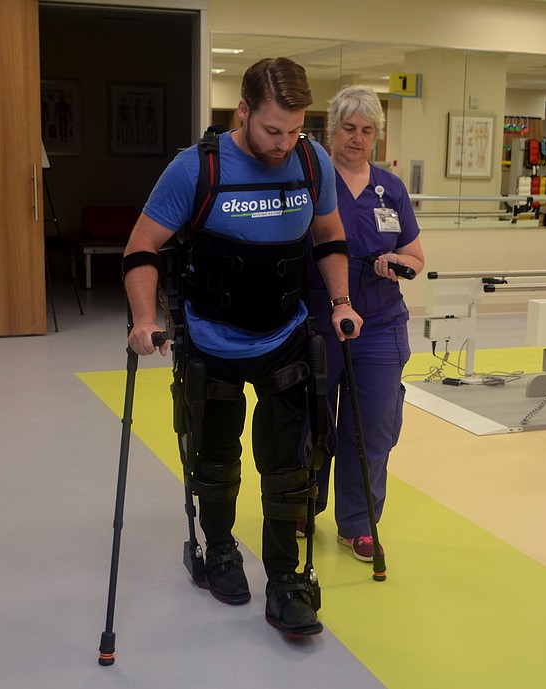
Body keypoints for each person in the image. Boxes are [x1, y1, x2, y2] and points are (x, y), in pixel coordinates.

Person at [122, 57, 362, 637]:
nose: (283, 144)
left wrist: (341, 303)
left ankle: (284, 581)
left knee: (288, 469)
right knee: (215, 462)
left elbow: (330, 235)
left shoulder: (311, 160)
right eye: (271, 131)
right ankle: (221, 550)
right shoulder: (195, 169)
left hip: (285, 337)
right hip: (212, 340)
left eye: (294, 130)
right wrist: (144, 317)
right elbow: (141, 247)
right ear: (244, 112)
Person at [304, 85, 424, 562]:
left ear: (378, 134)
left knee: (371, 426)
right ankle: (303, 506)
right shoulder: (311, 179)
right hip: (317, 322)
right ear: (332, 129)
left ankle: (358, 522)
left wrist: (397, 260)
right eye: (349, 128)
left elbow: (416, 256)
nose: (357, 138)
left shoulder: (389, 188)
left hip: (379, 325)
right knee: (310, 424)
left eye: (367, 130)